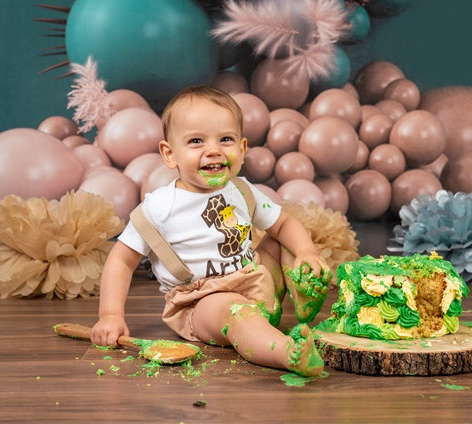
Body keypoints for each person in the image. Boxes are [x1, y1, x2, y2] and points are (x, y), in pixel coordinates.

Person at [91, 85, 330, 377]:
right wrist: (110, 316)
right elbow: (121, 261)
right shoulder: (161, 206)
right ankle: (285, 353)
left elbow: (284, 224)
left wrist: (307, 253)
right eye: (196, 141)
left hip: (253, 281)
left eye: (225, 139)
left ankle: (300, 290)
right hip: (201, 302)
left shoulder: (242, 190)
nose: (214, 150)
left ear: (241, 150)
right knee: (234, 311)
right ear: (170, 154)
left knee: (285, 239)